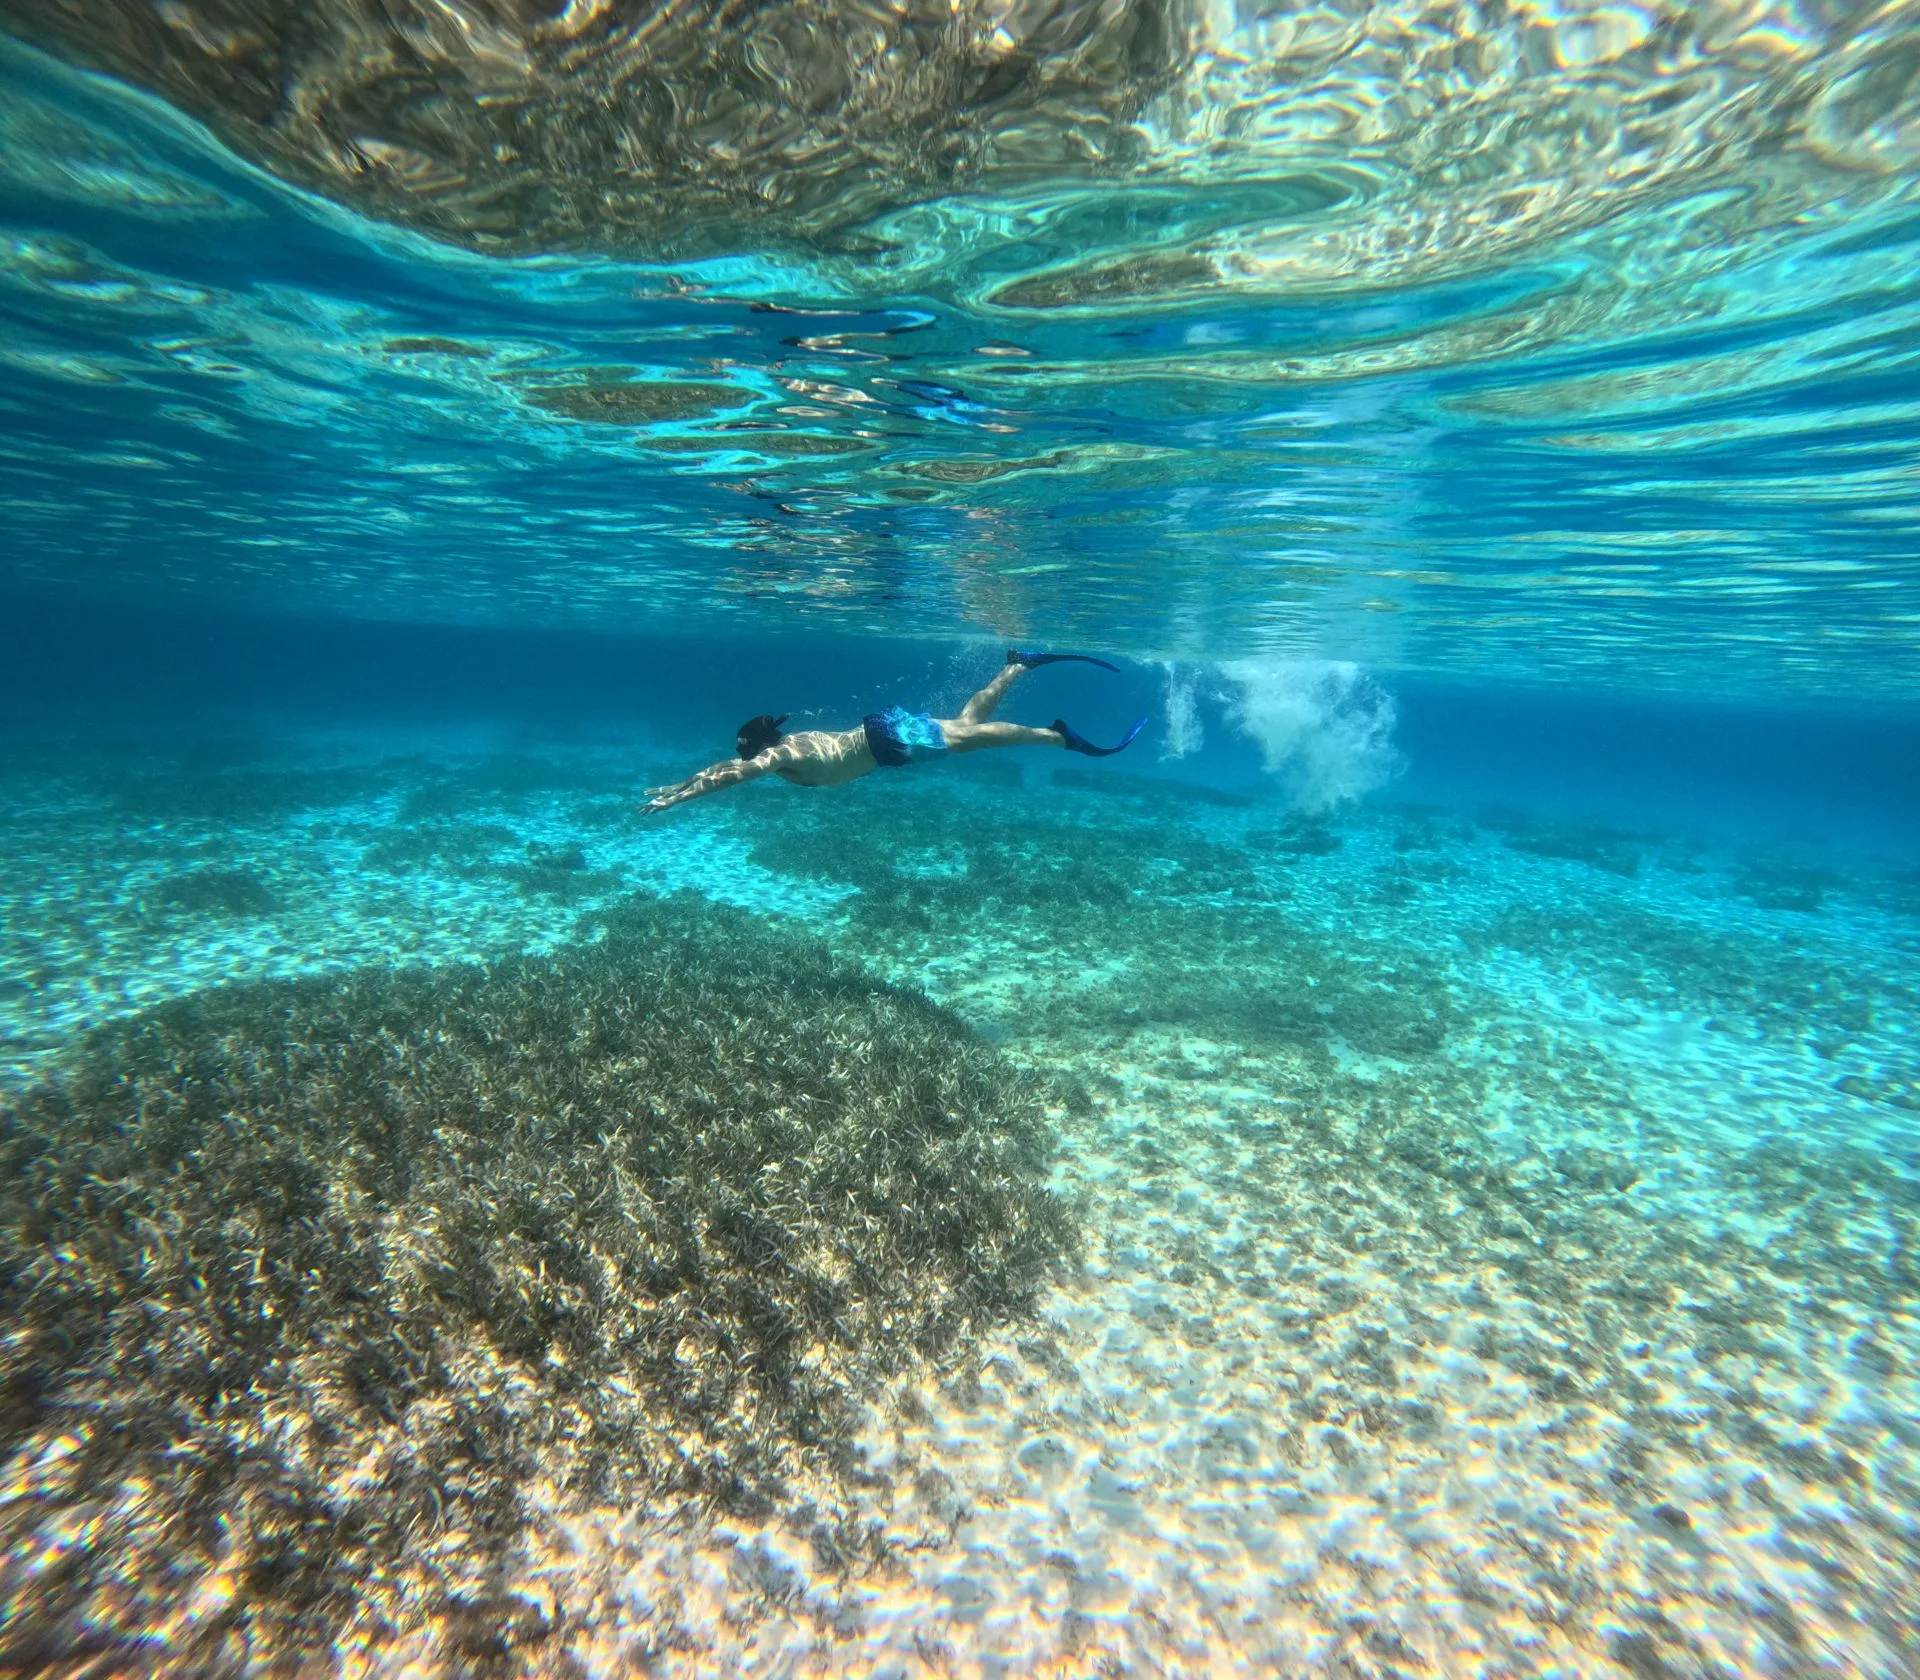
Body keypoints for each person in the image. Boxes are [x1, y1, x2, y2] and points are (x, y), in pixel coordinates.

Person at [639, 650, 1147, 815]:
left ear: (758, 749)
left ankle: (1058, 736)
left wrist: (685, 796)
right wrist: (685, 784)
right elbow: (730, 767)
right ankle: (1017, 666)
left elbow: (738, 773)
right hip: (884, 734)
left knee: (984, 737)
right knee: (968, 725)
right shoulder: (786, 750)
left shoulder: (778, 758)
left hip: (891, 742)